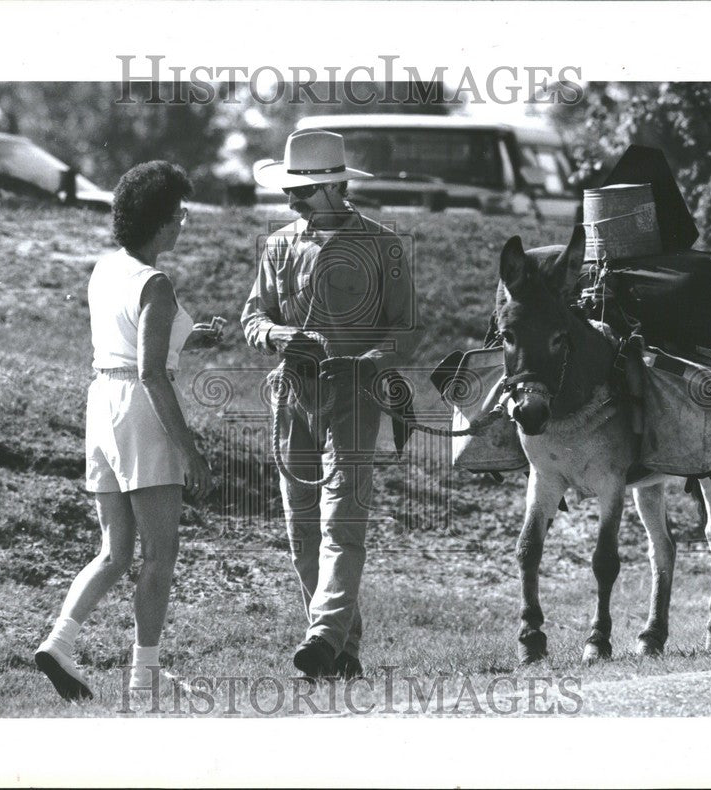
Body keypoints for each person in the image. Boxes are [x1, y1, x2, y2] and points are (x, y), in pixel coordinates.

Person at [35, 161, 219, 701]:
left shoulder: (106, 267)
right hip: (140, 409)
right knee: (160, 553)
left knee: (115, 551)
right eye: (180, 214)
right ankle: (145, 676)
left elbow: (133, 342)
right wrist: (192, 454)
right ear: (161, 222)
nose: (183, 224)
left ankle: (60, 642)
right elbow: (151, 372)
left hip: (101, 405)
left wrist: (191, 338)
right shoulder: (156, 283)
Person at [241, 129, 421, 679]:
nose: (290, 199)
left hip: (355, 398)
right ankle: (343, 652)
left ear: (335, 187)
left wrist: (367, 362)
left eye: (301, 190)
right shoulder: (276, 246)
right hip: (293, 396)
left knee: (342, 523)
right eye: (289, 190)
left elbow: (405, 331)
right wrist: (276, 336)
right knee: (302, 531)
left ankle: (321, 635)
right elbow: (253, 317)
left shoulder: (383, 246)